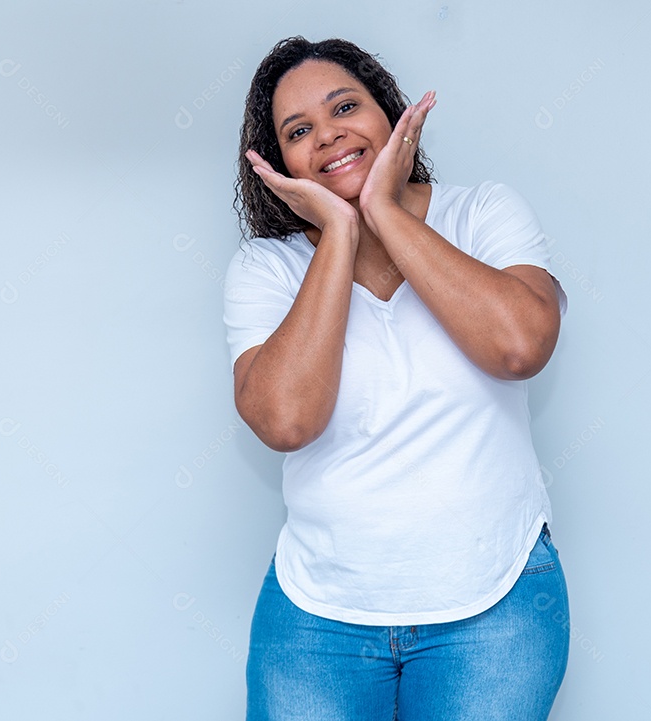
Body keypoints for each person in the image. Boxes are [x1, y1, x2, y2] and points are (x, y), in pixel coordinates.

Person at [223, 36, 571, 720]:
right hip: (316, 622)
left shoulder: (483, 215)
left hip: (495, 608)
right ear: (280, 165)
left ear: (389, 112)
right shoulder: (267, 270)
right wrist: (339, 232)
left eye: (343, 107)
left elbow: (521, 345)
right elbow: (287, 419)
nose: (327, 136)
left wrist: (383, 209)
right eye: (299, 132)